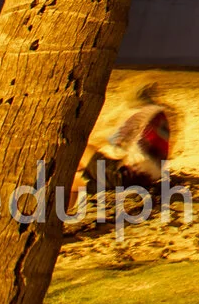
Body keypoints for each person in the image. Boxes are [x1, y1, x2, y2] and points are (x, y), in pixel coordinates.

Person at [77, 79, 181, 214]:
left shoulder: (140, 115)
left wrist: (97, 148)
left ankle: (59, 217)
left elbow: (117, 147)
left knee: (80, 148)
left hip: (127, 176)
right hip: (146, 179)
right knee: (74, 181)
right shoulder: (160, 115)